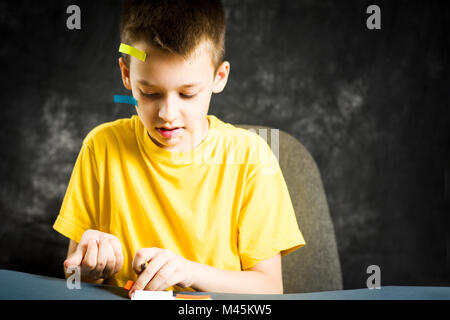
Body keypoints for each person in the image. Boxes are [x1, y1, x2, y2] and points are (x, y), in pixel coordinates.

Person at [53, 0, 305, 297]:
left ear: (218, 78)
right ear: (126, 74)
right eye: (149, 93)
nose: (167, 113)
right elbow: (73, 274)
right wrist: (88, 268)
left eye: (187, 94)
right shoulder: (101, 147)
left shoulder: (250, 157)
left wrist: (188, 271)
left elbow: (269, 288)